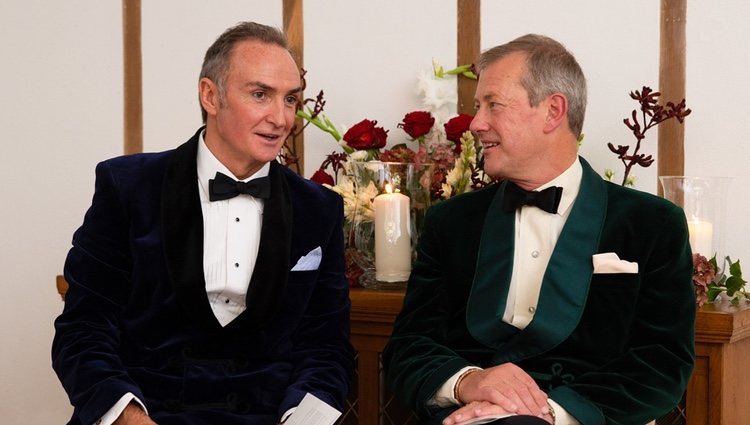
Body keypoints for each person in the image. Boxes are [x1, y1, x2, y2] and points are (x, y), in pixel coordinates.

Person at [383, 34, 695, 425]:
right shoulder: (452, 222)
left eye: (492, 105)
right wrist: (469, 382)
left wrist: (550, 412)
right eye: (478, 107)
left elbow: (662, 362)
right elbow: (408, 347)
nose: (476, 124)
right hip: (466, 418)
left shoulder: (652, 224)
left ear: (552, 111)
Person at [52, 21, 354, 425]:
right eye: (260, 94)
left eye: (290, 100)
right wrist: (126, 414)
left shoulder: (320, 209)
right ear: (210, 95)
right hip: (143, 414)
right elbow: (84, 328)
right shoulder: (126, 187)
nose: (281, 118)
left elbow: (326, 348)